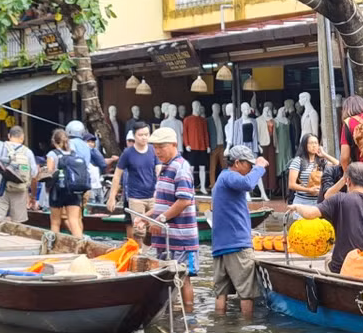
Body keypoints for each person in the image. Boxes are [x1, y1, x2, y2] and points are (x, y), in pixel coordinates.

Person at [211, 145, 269, 318]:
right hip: (236, 245)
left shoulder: (222, 179)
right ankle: (247, 329)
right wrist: (259, 166)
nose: (250, 168)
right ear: (237, 163)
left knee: (221, 293)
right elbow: (248, 183)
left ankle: (222, 327)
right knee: (246, 293)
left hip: (221, 245)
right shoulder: (230, 176)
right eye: (248, 164)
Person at [288, 162, 363, 274]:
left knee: (328, 261)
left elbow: (310, 213)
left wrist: (297, 207)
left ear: (348, 181)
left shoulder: (339, 199)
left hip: (343, 265)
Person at [147, 127, 199, 312]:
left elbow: (184, 200)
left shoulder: (181, 167)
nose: (157, 151)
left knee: (183, 277)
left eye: (161, 146)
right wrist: (146, 218)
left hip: (181, 236)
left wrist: (160, 218)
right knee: (167, 276)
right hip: (166, 236)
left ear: (174, 145)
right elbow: (165, 202)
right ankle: (171, 311)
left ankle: (189, 315)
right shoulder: (164, 168)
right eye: (155, 147)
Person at [107, 123, 160, 238]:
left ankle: (149, 253)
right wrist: (112, 197)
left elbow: (159, 170)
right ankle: (138, 253)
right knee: (139, 231)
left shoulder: (153, 150)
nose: (144, 137)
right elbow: (117, 175)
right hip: (135, 197)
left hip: (153, 196)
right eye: (141, 135)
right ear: (134, 136)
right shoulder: (127, 153)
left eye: (146, 134)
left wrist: (160, 189)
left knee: (154, 229)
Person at [0, 126, 38, 223]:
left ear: (9, 136)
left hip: (1, 189)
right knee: (18, 224)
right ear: (22, 137)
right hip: (20, 190)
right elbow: (34, 176)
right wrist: (32, 196)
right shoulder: (28, 152)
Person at [44, 128, 84, 237]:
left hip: (58, 190)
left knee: (55, 222)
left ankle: (53, 247)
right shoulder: (73, 154)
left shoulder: (52, 154)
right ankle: (80, 246)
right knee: (74, 221)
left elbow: (50, 172)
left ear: (53, 141)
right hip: (73, 189)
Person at [288, 133, 336, 213]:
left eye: (316, 143)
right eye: (310, 143)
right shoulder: (298, 161)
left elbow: (338, 164)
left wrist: (324, 154)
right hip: (302, 203)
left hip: (319, 203)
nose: (314, 145)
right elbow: (291, 184)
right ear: (305, 145)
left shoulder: (322, 161)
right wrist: (309, 190)